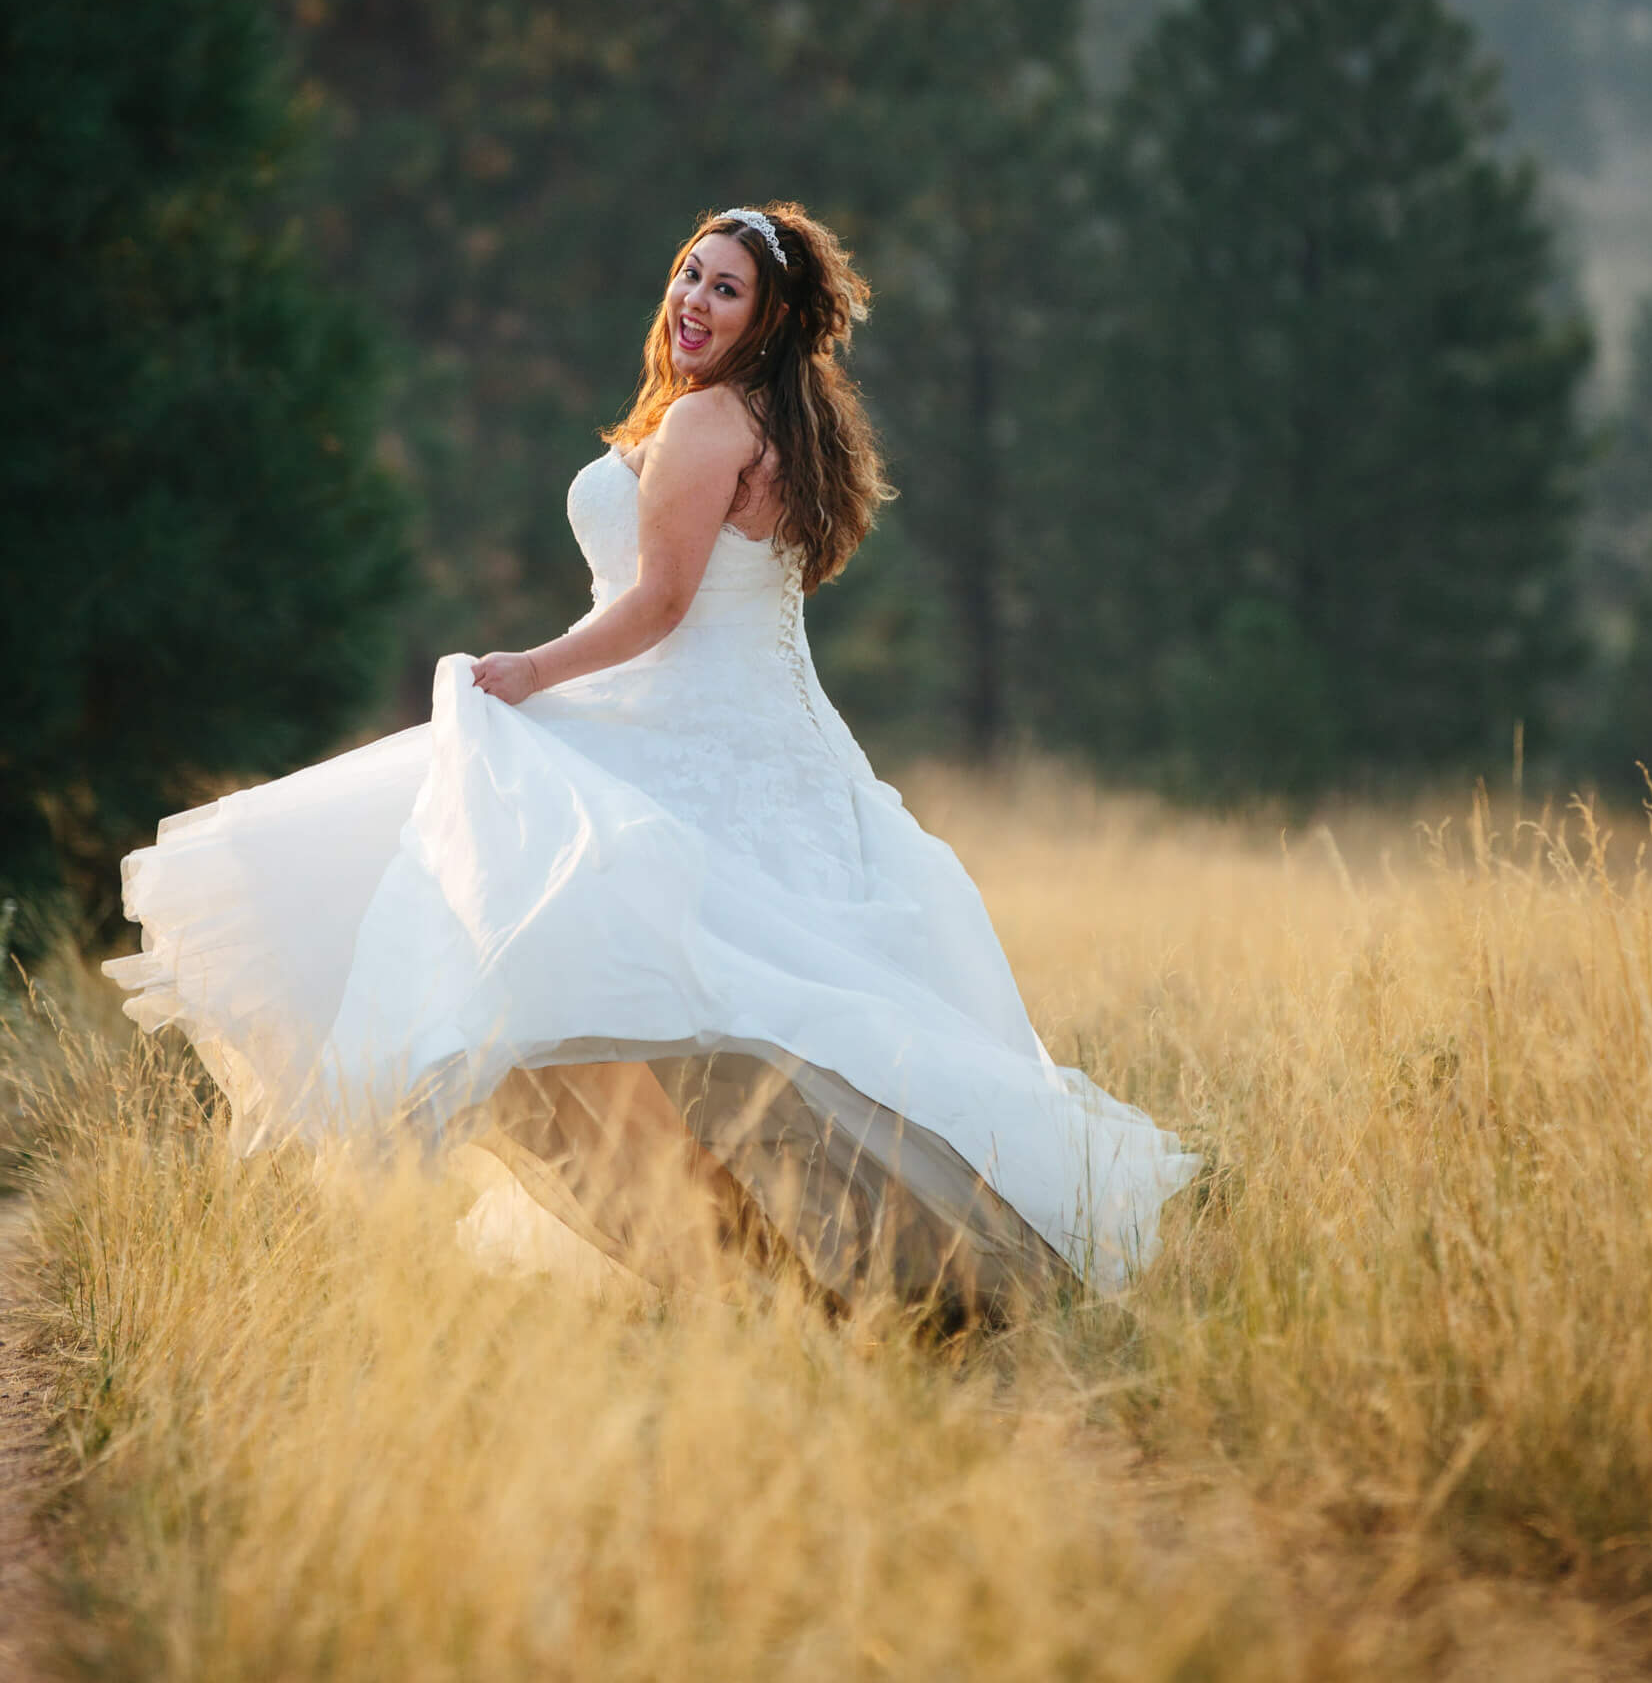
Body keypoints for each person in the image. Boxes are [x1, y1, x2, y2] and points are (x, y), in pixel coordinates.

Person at [107, 204, 1197, 1318]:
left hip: (686, 734)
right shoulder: (782, 421)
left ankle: (763, 1273)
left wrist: (530, 670)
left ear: (769, 319)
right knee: (740, 1014)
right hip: (770, 743)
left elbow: (663, 605)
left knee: (573, 973)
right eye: (691, 275)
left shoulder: (708, 424)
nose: (695, 302)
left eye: (727, 290)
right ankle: (795, 1275)